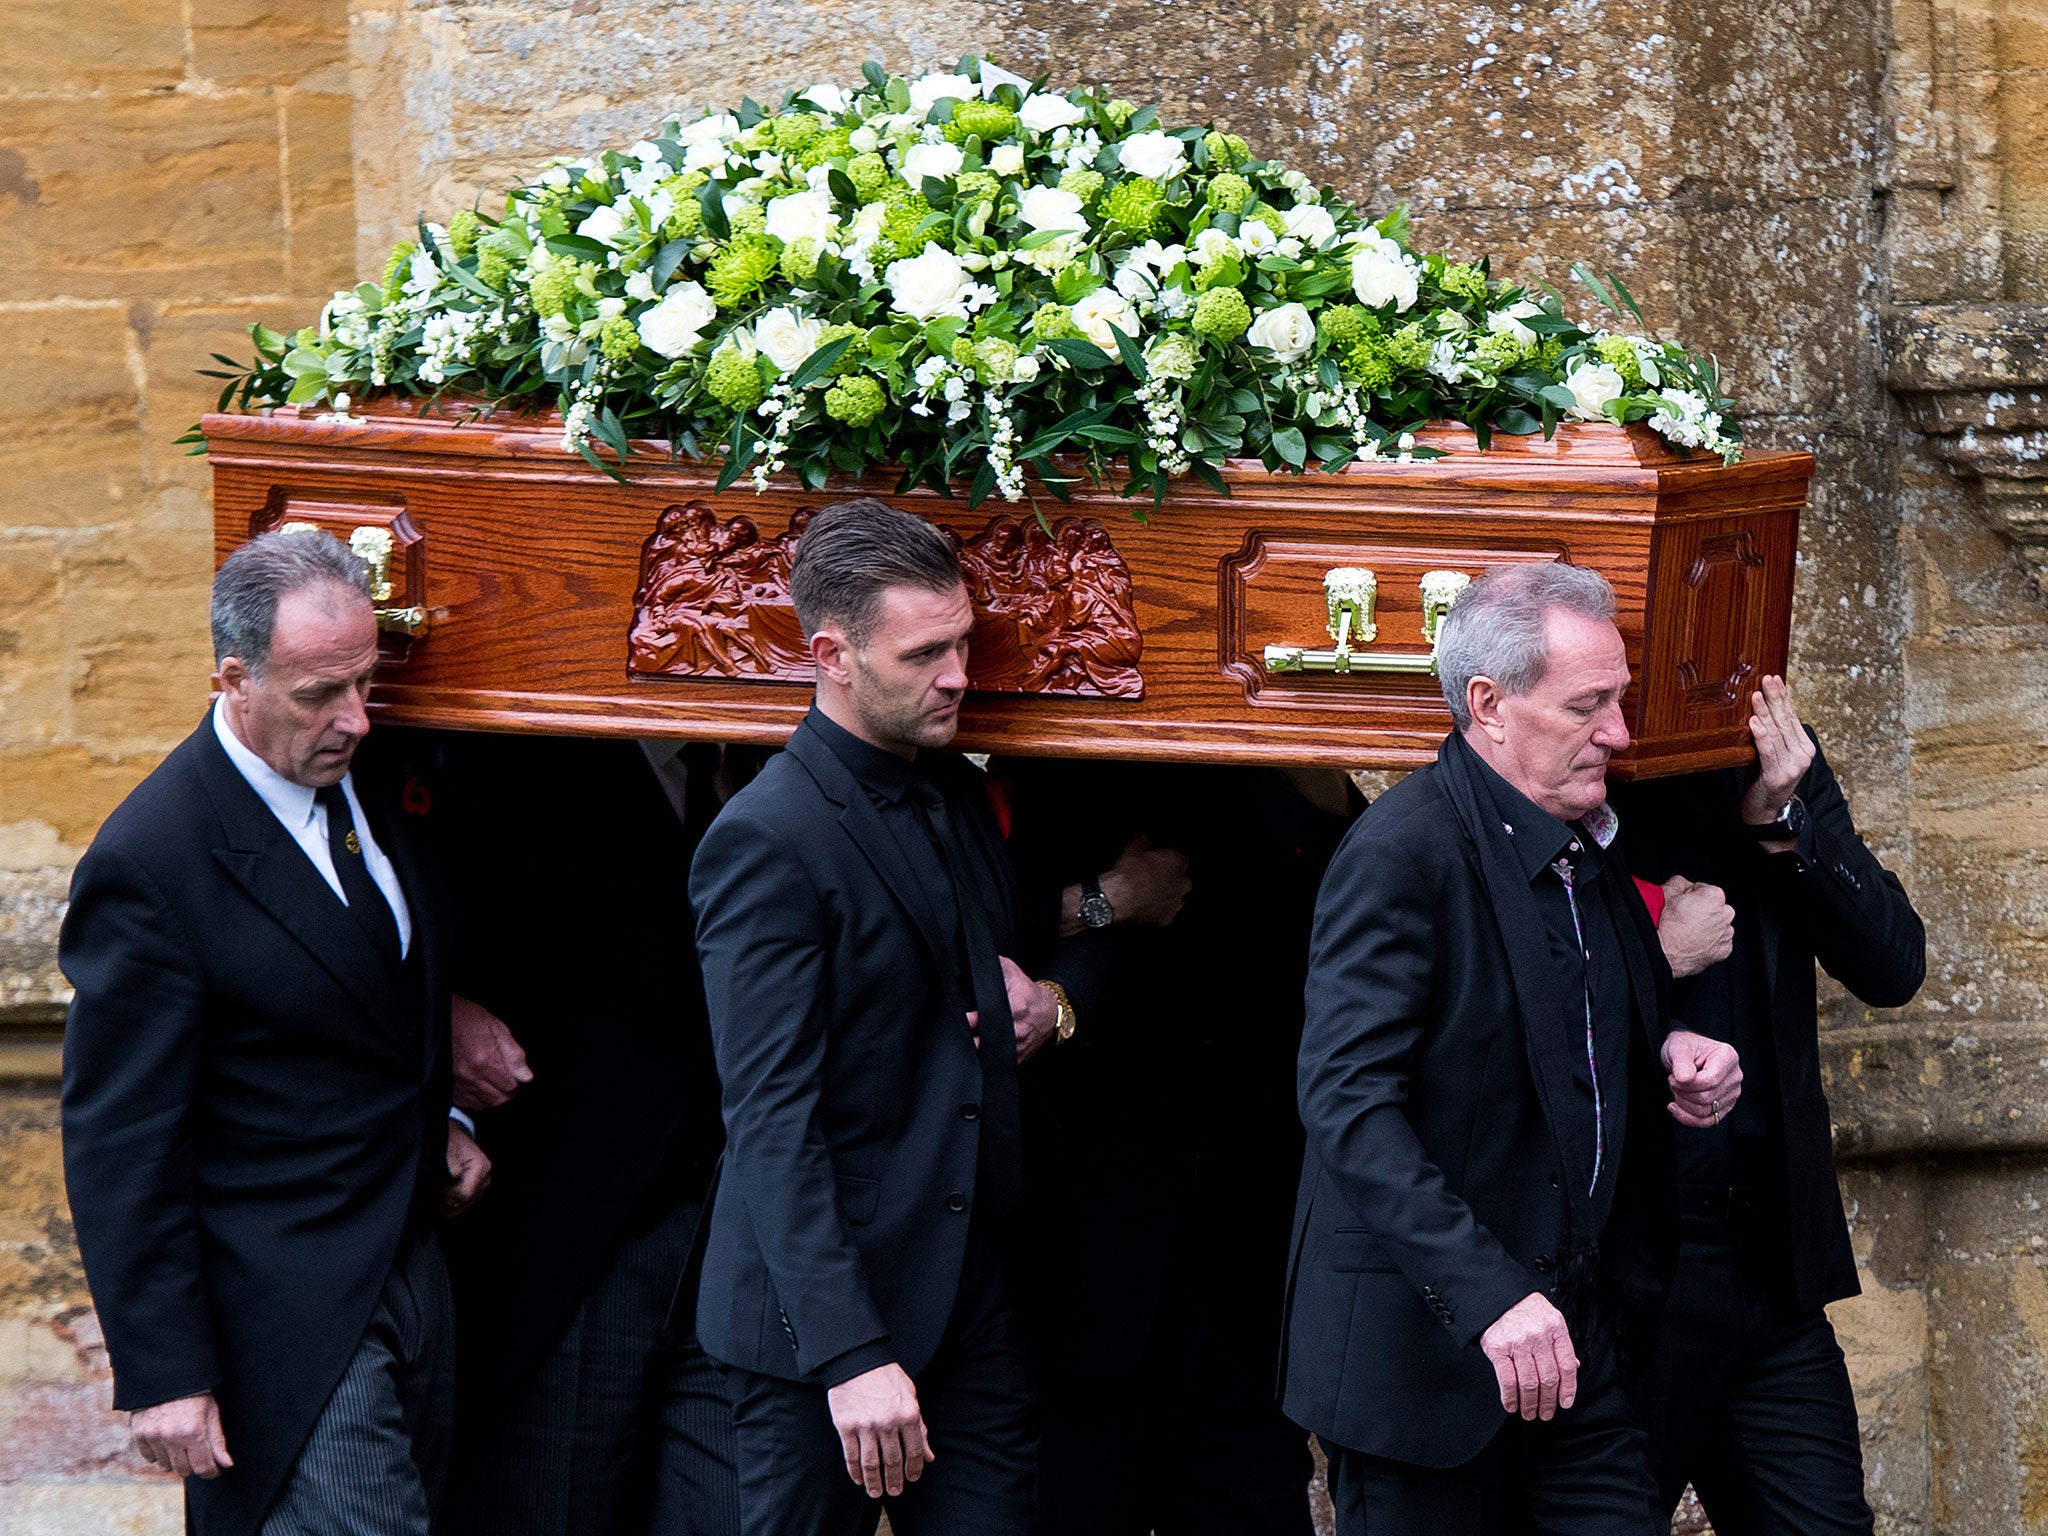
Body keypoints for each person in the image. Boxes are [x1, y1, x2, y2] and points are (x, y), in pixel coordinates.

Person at [1282, 560, 1744, 1536]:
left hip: (1580, 1355)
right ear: (1487, 705)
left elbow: (1559, 1021)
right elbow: (1345, 1104)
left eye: (1615, 701)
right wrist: (1493, 1298)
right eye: (1586, 706)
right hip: (1428, 1375)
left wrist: (1668, 1053)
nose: (1616, 734)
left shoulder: (1585, 840)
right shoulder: (1396, 854)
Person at [59, 530, 487, 1536]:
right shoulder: (150, 860)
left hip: (413, 1273)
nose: (355, 719)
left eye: (365, 682)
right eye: (318, 695)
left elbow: (371, 1002)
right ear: (233, 679)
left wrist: (443, 1119)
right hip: (281, 1319)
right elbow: (123, 1142)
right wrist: (165, 1372)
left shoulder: (364, 779)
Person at [687, 497, 1055, 1536]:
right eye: (924, 652)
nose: (957, 675)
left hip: (967, 1293)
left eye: (963, 644)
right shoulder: (764, 838)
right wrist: (848, 1354)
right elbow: (770, 1118)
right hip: (814, 1326)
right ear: (831, 655)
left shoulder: (944, 791)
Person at [386, 730, 740, 1536]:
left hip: (741, 1229)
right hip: (574, 1233)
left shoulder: (761, 744)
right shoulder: (515, 734)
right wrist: (435, 1020)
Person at [999, 757, 1355, 1535]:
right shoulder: (1047, 742)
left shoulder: (1284, 768)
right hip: (1086, 1260)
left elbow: (1350, 891)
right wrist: (1108, 903)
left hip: (1244, 1251)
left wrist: (1317, 783)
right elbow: (959, 916)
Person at [1611, 676, 1926, 1534]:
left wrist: (1781, 818)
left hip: (1771, 1268)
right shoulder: (1577, 754)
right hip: (1628, 1277)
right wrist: (1655, 952)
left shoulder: (1778, 756)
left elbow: (1894, 965)